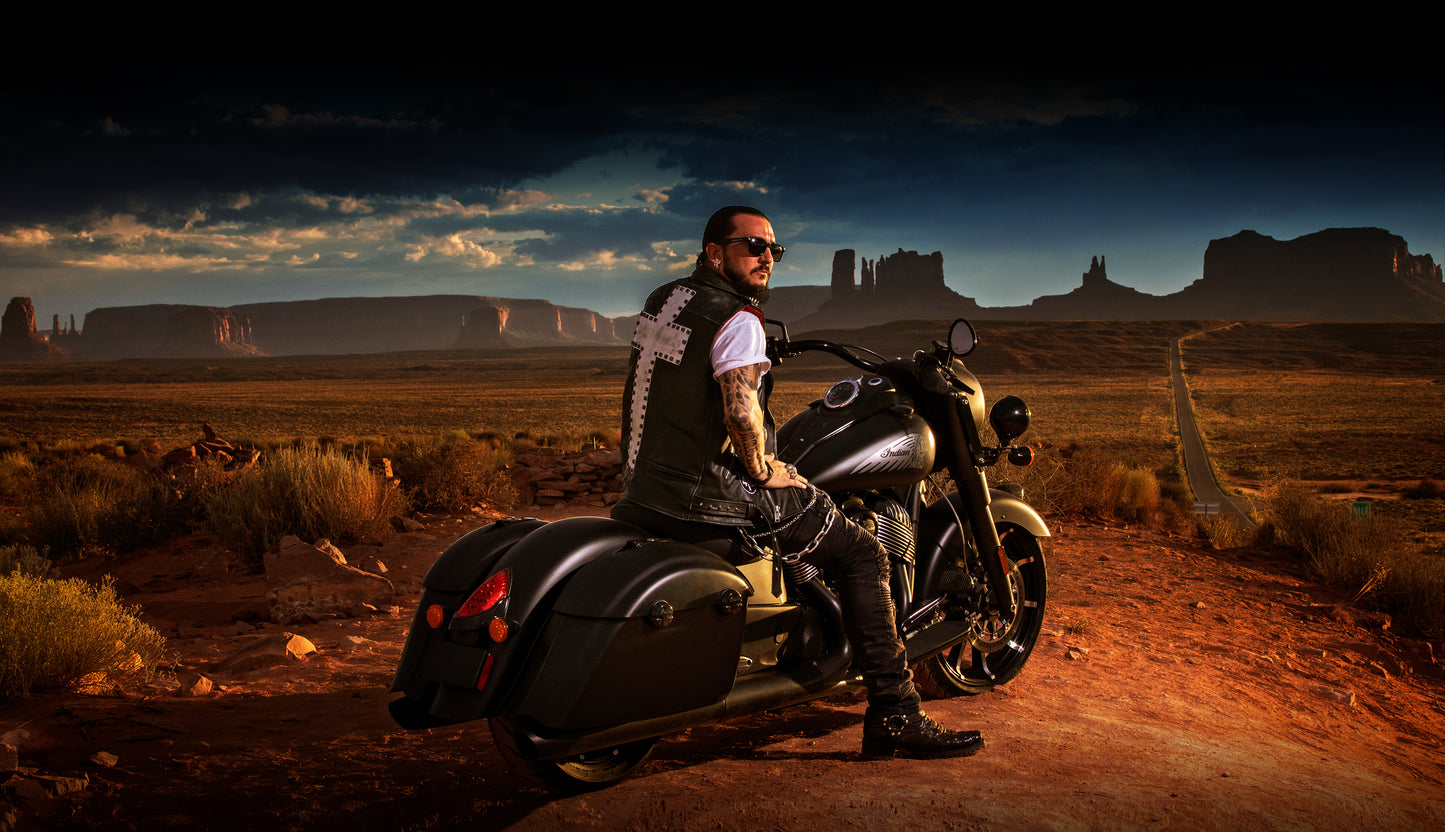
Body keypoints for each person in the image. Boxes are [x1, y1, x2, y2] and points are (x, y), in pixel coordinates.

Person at [611, 205, 983, 759]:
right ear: (715, 253)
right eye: (752, 246)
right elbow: (741, 414)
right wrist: (761, 468)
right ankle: (895, 713)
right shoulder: (738, 319)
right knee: (860, 553)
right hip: (711, 502)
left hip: (645, 489)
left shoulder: (664, 301)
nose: (766, 257)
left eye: (774, 250)